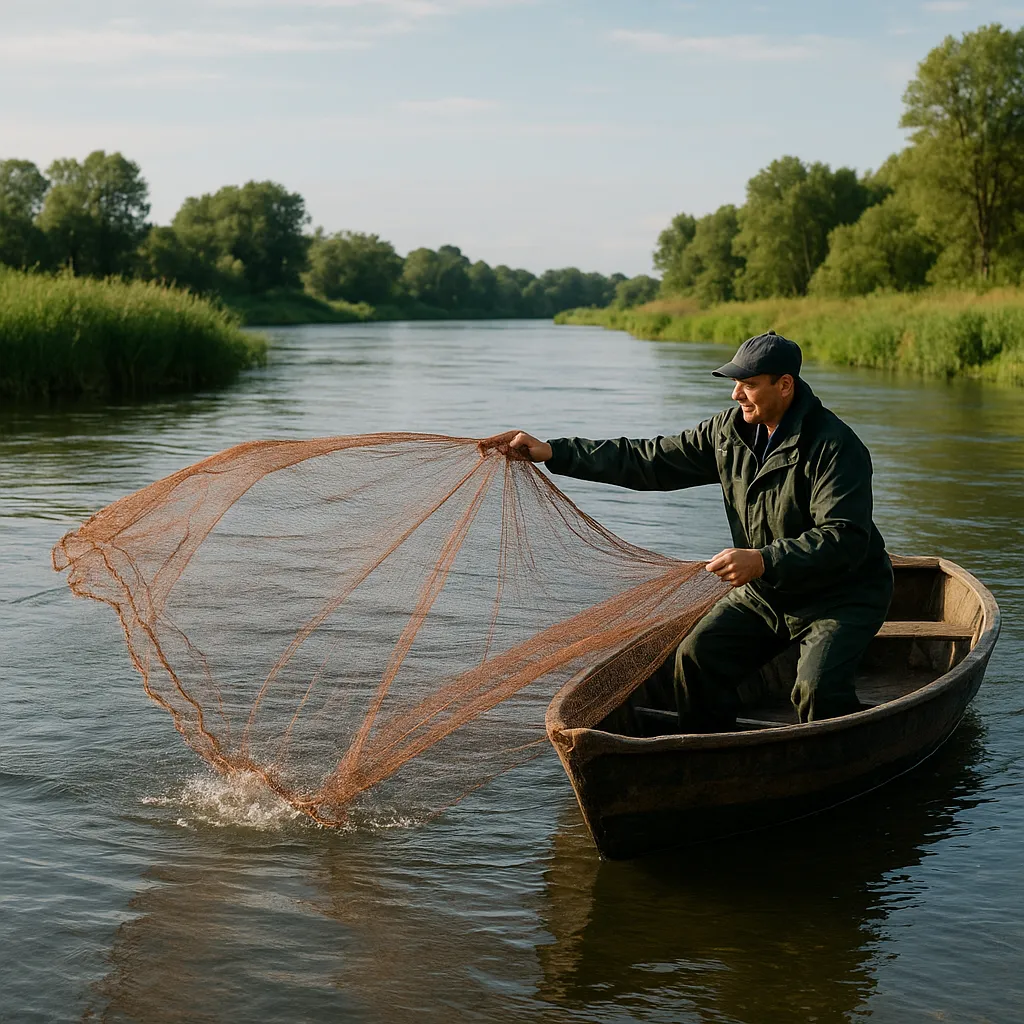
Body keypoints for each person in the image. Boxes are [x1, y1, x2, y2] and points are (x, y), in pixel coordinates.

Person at [489, 330, 893, 729]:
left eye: (749, 385)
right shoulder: (725, 434)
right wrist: (555, 452)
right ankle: (713, 761)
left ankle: (836, 764)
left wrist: (763, 559)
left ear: (784, 385)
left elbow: (845, 536)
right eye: (736, 384)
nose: (736, 395)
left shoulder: (835, 446)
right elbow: (648, 460)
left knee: (817, 690)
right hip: (770, 591)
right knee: (696, 657)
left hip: (843, 594)